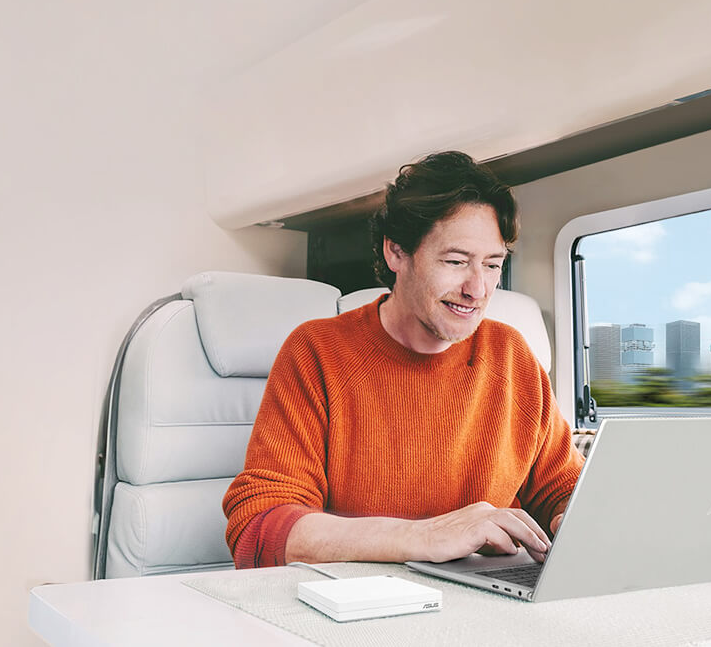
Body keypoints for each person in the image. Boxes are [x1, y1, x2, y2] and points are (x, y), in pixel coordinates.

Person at [222, 151, 584, 569]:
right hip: (361, 611)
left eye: (492, 265)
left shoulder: (512, 356)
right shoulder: (316, 353)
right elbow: (260, 528)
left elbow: (562, 489)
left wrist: (575, 518)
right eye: (455, 262)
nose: (478, 289)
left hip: (486, 604)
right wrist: (424, 536)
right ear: (396, 253)